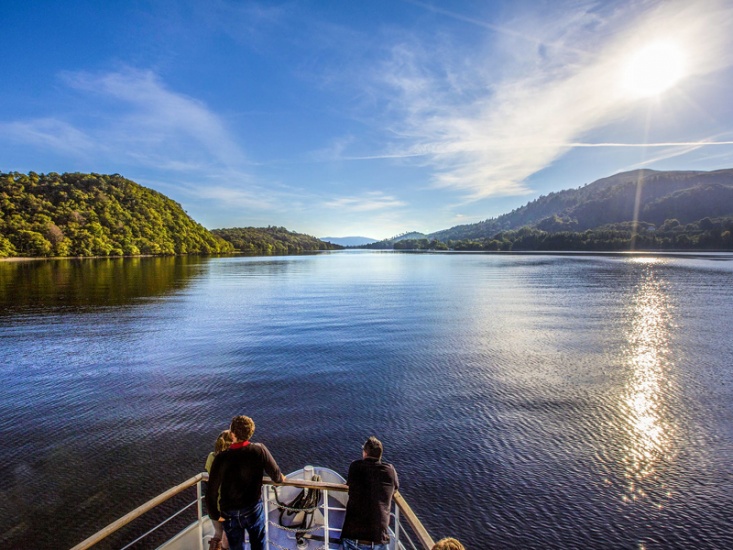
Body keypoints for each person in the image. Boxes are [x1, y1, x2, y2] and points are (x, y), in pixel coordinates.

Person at [206, 416, 285, 550]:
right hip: (252, 509)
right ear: (250, 433)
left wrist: (215, 515)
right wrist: (282, 479)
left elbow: (211, 492)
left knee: (236, 547)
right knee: (258, 544)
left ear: (232, 434)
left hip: (229, 513)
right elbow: (277, 477)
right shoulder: (259, 450)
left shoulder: (220, 458)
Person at [340, 436, 399, 550]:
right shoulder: (390, 471)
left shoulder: (355, 467)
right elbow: (395, 487)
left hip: (352, 536)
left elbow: (350, 483)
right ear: (380, 455)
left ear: (364, 453)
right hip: (378, 538)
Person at [205, 430, 234, 550]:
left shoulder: (211, 457)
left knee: (218, 533)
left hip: (214, 505)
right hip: (228, 506)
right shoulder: (232, 460)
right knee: (228, 536)